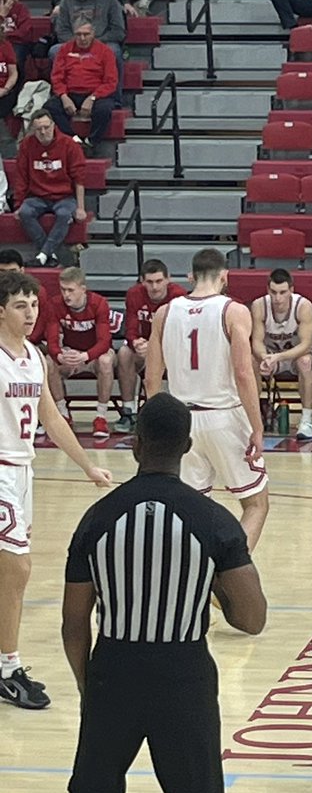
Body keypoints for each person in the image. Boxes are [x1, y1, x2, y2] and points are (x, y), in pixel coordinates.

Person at [46, 392, 266, 793]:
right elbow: (252, 619)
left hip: (114, 668)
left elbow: (73, 623)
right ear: (189, 446)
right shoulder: (214, 521)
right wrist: (214, 585)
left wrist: (94, 686)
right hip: (184, 679)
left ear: (135, 444)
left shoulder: (98, 518)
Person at [0, 269, 110, 712]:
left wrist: (87, 466)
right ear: (1, 311)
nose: (30, 313)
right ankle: (8, 669)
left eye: (33, 305)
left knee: (10, 571)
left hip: (24, 472)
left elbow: (50, 417)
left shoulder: (32, 356)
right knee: (17, 569)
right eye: (20, 306)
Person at [145, 247, 269, 551]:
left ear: (192, 276)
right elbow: (243, 372)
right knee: (256, 504)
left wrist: (155, 427)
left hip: (181, 419)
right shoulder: (234, 311)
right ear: (224, 276)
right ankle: (232, 571)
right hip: (224, 415)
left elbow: (151, 379)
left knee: (191, 508)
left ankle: (194, 574)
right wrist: (257, 426)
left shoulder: (164, 312)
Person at [46, 267, 116, 439]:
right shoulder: (55, 305)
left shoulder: (99, 303)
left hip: (94, 355)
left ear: (83, 289)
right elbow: (52, 340)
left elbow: (104, 341)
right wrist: (60, 355)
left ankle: (101, 417)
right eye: (63, 289)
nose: (66, 295)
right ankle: (63, 414)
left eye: (70, 290)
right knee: (48, 361)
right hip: (71, 354)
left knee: (106, 360)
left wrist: (85, 356)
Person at [117, 258, 186, 434]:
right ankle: (128, 411)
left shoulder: (178, 295)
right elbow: (131, 328)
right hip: (145, 346)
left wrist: (156, 347)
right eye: (149, 282)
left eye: (158, 281)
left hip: (171, 348)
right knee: (124, 353)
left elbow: (181, 333)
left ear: (168, 279)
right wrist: (135, 342)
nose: (154, 287)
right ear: (142, 281)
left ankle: (180, 410)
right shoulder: (134, 294)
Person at [250, 267, 312, 441]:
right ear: (267, 290)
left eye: (282, 292)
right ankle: (253, 416)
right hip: (271, 354)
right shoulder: (259, 305)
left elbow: (305, 344)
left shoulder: (303, 306)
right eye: (273, 292)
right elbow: (256, 341)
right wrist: (264, 357)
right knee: (251, 361)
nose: (278, 298)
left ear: (291, 290)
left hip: (296, 355)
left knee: (305, 362)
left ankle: (306, 419)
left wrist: (278, 357)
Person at [14, 110, 87, 269]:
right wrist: (18, 204)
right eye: (38, 129)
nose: (43, 132)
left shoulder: (69, 144)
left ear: (53, 125)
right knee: (25, 212)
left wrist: (81, 208)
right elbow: (21, 176)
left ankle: (42, 255)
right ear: (33, 129)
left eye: (46, 127)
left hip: (64, 197)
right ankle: (48, 255)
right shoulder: (27, 145)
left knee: (63, 214)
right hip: (37, 196)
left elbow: (79, 177)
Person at [48, 19, 118, 153]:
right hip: (70, 93)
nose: (82, 38)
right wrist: (63, 96)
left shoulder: (105, 52)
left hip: (96, 94)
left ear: (93, 33)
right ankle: (74, 140)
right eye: (78, 34)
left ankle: (91, 142)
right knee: (50, 107)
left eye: (86, 34)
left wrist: (92, 98)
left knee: (105, 110)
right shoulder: (64, 50)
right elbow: (57, 77)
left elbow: (110, 81)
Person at [0, 32, 18, 154]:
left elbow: (13, 73)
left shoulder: (6, 46)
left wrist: (5, 89)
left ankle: (9, 153)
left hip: (5, 92)